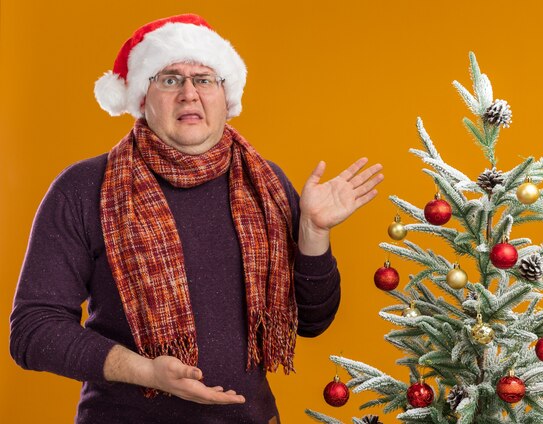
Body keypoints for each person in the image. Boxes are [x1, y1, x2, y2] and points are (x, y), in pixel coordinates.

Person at [9, 13, 383, 424]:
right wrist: (146, 372)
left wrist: (314, 233)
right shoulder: (84, 188)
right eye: (169, 79)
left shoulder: (266, 184)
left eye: (204, 79)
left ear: (226, 97)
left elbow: (313, 322)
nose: (189, 93)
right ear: (141, 98)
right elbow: (33, 330)